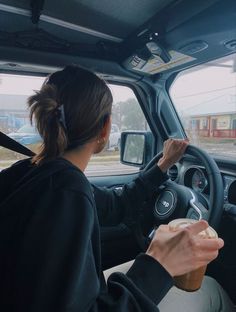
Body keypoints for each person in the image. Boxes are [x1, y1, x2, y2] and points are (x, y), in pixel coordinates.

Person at [0, 65, 234, 312]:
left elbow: (116, 205)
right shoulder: (66, 191)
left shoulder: (29, 172)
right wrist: (158, 264)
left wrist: (163, 165)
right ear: (105, 128)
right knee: (211, 290)